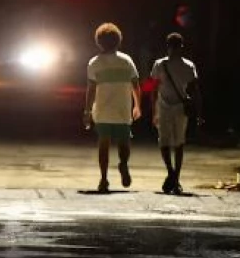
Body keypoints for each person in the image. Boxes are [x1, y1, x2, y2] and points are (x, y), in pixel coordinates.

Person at [83, 23, 142, 193]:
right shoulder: (126, 61)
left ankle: (103, 179)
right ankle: (123, 164)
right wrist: (137, 105)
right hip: (122, 109)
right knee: (124, 143)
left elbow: (91, 89)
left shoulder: (94, 63)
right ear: (118, 41)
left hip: (102, 111)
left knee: (103, 146)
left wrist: (87, 111)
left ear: (98, 42)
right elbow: (136, 85)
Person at [150, 32, 201, 195]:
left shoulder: (160, 64)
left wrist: (154, 110)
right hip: (177, 107)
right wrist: (199, 111)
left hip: (166, 106)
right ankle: (174, 177)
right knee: (178, 143)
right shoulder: (188, 65)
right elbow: (195, 91)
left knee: (166, 142)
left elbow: (153, 89)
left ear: (168, 46)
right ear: (181, 47)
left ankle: (172, 175)